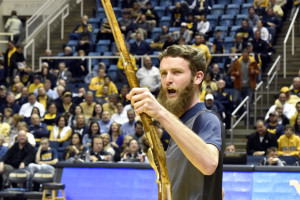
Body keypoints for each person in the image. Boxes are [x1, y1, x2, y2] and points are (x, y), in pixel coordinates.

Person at [126, 45, 224, 199]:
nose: (168, 80)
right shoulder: (178, 127)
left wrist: (159, 112)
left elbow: (209, 164)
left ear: (198, 77)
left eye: (177, 72)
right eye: (163, 73)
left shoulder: (206, 118)